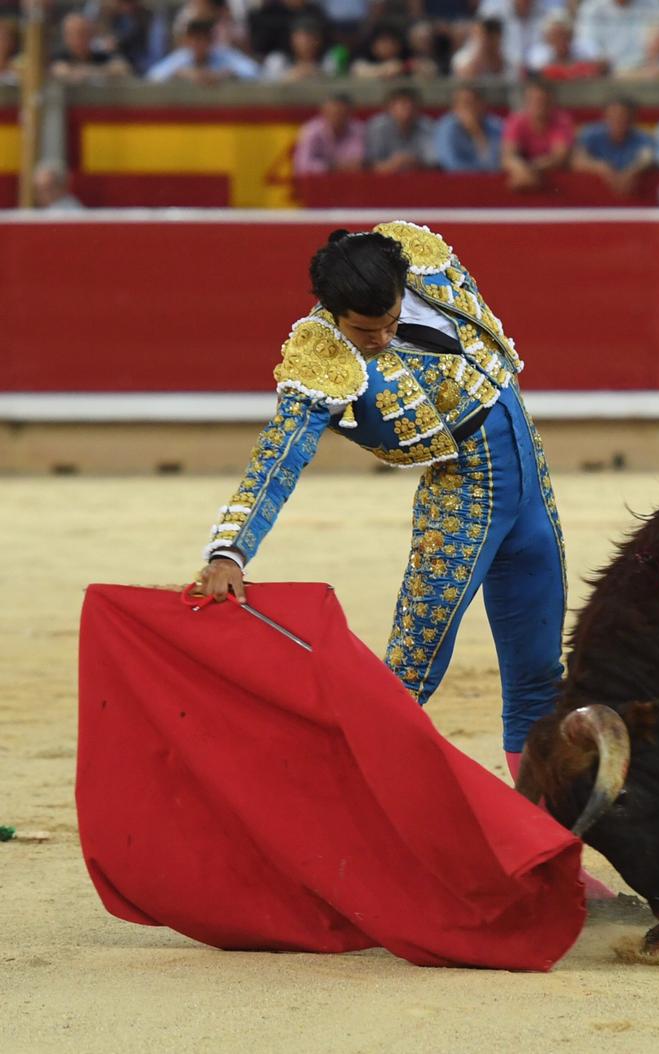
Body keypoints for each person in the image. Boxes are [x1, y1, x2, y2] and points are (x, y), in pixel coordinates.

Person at [190, 223, 617, 906]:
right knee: (406, 681)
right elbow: (278, 456)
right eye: (366, 331)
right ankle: (328, 842)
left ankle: (548, 860)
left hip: (529, 479)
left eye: (389, 320)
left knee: (539, 679)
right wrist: (228, 548)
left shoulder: (417, 256)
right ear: (333, 313)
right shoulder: (321, 355)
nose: (381, 338)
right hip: (462, 500)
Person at [573, 96, 654, 196]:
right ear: (605, 116)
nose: (618, 119)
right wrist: (602, 168)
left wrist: (632, 172)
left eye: (623, 116)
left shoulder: (642, 138)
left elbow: (647, 158)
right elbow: (577, 160)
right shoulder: (590, 135)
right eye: (613, 115)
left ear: (632, 119)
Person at [502, 79, 575, 191]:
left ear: (552, 102)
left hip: (548, 172)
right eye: (535, 101)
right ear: (527, 102)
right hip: (524, 171)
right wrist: (521, 169)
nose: (540, 105)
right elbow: (508, 155)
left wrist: (531, 169)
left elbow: (560, 157)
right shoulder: (516, 121)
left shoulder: (562, 121)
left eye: (544, 101)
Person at [573, 0, 659, 72]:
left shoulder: (654, 4)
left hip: (647, 67)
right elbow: (585, 42)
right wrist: (599, 59)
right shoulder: (592, 7)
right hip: (609, 70)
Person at [146, 18, 260, 82]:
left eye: (203, 39)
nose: (199, 44)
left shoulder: (224, 53)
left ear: (212, 40)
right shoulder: (181, 57)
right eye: (195, 39)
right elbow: (152, 77)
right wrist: (181, 73)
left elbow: (255, 72)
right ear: (187, 41)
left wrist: (227, 74)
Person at [434, 85, 504, 172]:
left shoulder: (496, 125)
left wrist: (478, 134)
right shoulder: (446, 128)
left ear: (483, 105)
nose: (471, 108)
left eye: (475, 102)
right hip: (459, 183)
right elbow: (451, 164)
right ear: (455, 108)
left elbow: (497, 162)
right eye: (465, 103)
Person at [365, 85, 434, 172]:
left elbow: (433, 163)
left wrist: (414, 162)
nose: (409, 107)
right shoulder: (378, 127)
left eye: (412, 104)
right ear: (390, 107)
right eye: (403, 103)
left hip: (418, 178)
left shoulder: (427, 126)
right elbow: (370, 165)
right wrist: (392, 164)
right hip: (384, 179)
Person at [50, 12, 132, 83]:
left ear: (91, 35)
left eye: (83, 33)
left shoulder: (99, 56)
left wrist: (88, 72)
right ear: (66, 37)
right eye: (73, 34)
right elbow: (59, 71)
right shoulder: (58, 57)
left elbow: (123, 68)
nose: (79, 38)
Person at [294, 94, 365, 174]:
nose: (337, 117)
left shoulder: (358, 130)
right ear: (324, 112)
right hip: (318, 183)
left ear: (350, 113)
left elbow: (358, 163)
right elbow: (302, 166)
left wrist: (340, 166)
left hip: (350, 181)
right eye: (333, 113)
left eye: (341, 113)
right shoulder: (311, 131)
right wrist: (331, 166)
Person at [527, 10, 605, 79]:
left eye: (563, 35)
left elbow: (602, 65)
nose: (560, 40)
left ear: (571, 36)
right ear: (547, 38)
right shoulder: (537, 53)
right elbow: (535, 74)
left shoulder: (585, 48)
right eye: (555, 35)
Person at [262, 17, 338, 80]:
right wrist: (291, 76)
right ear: (292, 39)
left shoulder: (329, 59)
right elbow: (265, 83)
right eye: (300, 37)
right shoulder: (278, 59)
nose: (305, 43)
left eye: (310, 37)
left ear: (319, 40)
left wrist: (315, 72)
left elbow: (335, 81)